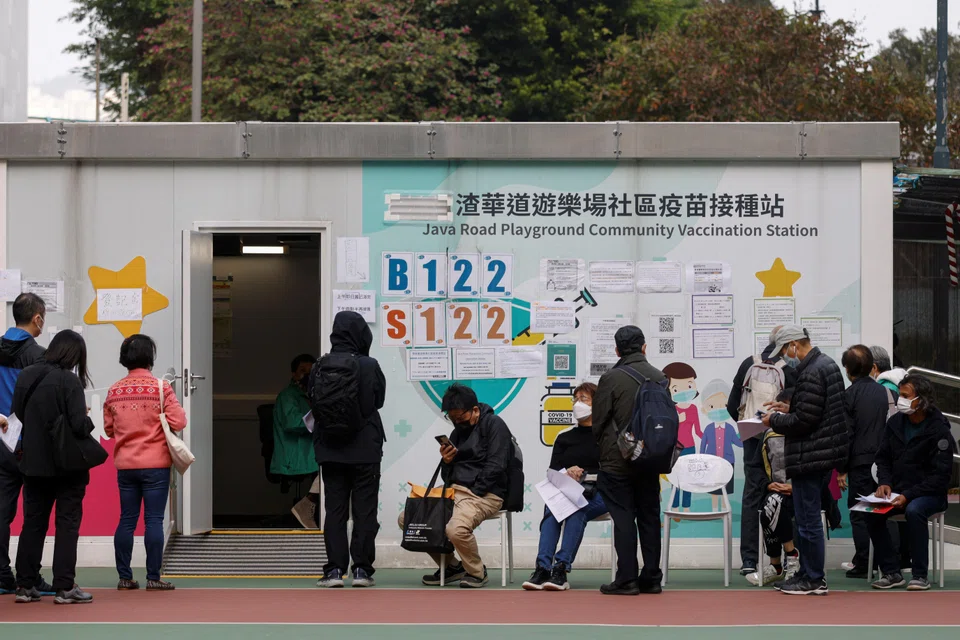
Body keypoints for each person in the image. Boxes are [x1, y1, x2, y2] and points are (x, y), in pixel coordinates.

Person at [761, 325, 847, 596]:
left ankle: (814, 578)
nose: (785, 357)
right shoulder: (826, 365)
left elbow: (805, 420)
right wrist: (789, 408)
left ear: (794, 345)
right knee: (807, 520)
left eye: (785, 351)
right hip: (819, 453)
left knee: (808, 522)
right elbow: (817, 411)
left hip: (809, 455)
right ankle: (808, 573)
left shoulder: (811, 371)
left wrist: (774, 420)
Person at [13, 330, 96, 604]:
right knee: (67, 523)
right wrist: (87, 418)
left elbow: (19, 413)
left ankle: (25, 585)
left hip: (33, 463)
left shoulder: (26, 376)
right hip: (67, 465)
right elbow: (78, 426)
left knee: (33, 523)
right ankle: (64, 587)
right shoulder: (69, 381)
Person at [103, 334, 187, 591]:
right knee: (153, 520)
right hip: (156, 465)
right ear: (150, 357)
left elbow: (108, 429)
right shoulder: (161, 388)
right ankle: (153, 576)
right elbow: (179, 421)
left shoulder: (115, 390)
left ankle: (124, 577)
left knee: (127, 519)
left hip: (126, 466)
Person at [411, 384, 511, 589]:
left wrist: (475, 490)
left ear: (475, 410)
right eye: (452, 418)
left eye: (460, 416)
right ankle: (452, 566)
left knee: (456, 530)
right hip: (455, 491)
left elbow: (497, 464)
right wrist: (447, 462)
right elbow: (448, 477)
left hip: (484, 493)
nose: (457, 422)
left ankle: (476, 571)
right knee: (412, 520)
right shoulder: (457, 433)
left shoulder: (494, 424)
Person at [592, 325, 666, 596]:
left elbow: (598, 421)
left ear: (617, 350)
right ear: (644, 347)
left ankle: (627, 579)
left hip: (617, 461)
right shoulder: (659, 377)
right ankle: (652, 578)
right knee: (649, 517)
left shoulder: (610, 378)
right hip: (650, 459)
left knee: (624, 519)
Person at [314, 311, 386, 589]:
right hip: (365, 448)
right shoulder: (369, 365)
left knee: (335, 511)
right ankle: (362, 570)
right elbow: (378, 401)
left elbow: (313, 403)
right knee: (364, 510)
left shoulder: (320, 365)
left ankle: (334, 571)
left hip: (330, 449)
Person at [869, 375, 957, 591]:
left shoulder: (939, 429)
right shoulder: (895, 423)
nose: (901, 400)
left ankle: (920, 575)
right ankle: (891, 572)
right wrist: (884, 483)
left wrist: (908, 495)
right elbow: (883, 458)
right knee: (871, 512)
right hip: (898, 491)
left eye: (906, 396)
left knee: (914, 510)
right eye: (900, 395)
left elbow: (941, 476)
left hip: (930, 495)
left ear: (921, 400)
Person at [727, 326, 797, 576]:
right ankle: (788, 559)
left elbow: (732, 404)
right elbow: (796, 409)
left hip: (752, 438)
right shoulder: (790, 370)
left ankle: (749, 560)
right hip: (781, 439)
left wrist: (749, 428)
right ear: (787, 346)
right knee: (785, 495)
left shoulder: (749, 363)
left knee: (752, 495)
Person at [523, 382, 606, 591]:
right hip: (568, 491)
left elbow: (612, 470)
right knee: (552, 508)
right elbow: (553, 471)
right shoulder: (564, 438)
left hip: (601, 493)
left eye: (584, 399)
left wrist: (584, 473)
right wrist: (567, 472)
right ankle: (542, 568)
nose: (578, 403)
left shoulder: (606, 437)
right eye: (575, 399)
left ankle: (561, 568)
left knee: (577, 509)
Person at [0, 293, 53, 596]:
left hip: (0, 442)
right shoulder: (39, 356)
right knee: (35, 514)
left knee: (1, 511)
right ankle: (28, 578)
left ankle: (1, 576)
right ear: (37, 318)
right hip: (29, 443)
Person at [835, 345, 890, 579]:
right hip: (884, 464)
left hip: (859, 462)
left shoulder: (849, 395)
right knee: (880, 512)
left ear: (848, 370)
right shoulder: (885, 392)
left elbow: (846, 434)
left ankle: (864, 562)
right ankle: (883, 562)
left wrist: (842, 469)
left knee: (859, 513)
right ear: (871, 366)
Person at [749, 389, 800, 586]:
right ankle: (790, 558)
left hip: (804, 493)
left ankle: (779, 564)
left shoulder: (806, 433)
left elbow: (821, 470)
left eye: (784, 409)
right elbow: (755, 468)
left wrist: (794, 488)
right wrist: (768, 484)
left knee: (770, 506)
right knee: (771, 502)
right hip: (775, 491)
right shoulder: (768, 435)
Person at [271, 354, 318, 478]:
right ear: (293, 374)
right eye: (302, 371)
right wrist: (321, 412)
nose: (307, 375)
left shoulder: (313, 395)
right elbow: (293, 423)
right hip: (295, 458)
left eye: (311, 372)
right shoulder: (287, 396)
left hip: (310, 456)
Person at [663, 362, 701, 516]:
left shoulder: (693, 409)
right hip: (675, 448)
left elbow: (698, 431)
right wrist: (677, 420)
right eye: (676, 389)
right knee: (676, 479)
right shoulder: (671, 409)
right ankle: (675, 507)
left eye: (689, 385)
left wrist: (709, 440)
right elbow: (666, 430)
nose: (684, 391)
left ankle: (686, 507)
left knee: (688, 480)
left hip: (690, 447)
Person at [699, 380, 742, 511]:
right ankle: (714, 508)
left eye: (724, 405)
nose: (718, 410)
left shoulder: (730, 428)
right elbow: (703, 445)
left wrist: (746, 434)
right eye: (712, 406)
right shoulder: (708, 429)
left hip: (727, 461)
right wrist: (702, 459)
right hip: (711, 462)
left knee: (725, 486)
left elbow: (738, 442)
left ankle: (724, 508)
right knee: (713, 486)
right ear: (704, 410)